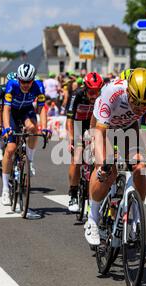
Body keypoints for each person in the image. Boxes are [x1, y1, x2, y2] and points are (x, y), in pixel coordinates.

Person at [84, 68, 146, 246]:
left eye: (143, 105)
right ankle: (92, 218)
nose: (139, 107)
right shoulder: (112, 93)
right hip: (103, 127)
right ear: (128, 92)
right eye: (135, 102)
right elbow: (99, 133)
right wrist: (102, 165)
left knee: (139, 166)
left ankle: (137, 218)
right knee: (107, 168)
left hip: (129, 128)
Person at [1, 64, 47, 218]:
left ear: (33, 80)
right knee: (11, 148)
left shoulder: (39, 86)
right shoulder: (11, 85)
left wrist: (45, 128)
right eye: (23, 81)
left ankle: (30, 161)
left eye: (28, 82)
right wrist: (7, 128)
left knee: (34, 129)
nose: (26, 85)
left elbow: (42, 108)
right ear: (18, 79)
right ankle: (5, 189)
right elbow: (6, 109)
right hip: (13, 113)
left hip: (26, 111)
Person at [66, 72, 104, 213]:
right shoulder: (76, 95)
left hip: (94, 125)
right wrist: (71, 138)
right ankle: (73, 194)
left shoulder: (102, 97)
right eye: (91, 92)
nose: (94, 96)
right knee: (77, 157)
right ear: (86, 89)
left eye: (97, 92)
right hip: (77, 125)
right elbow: (69, 120)